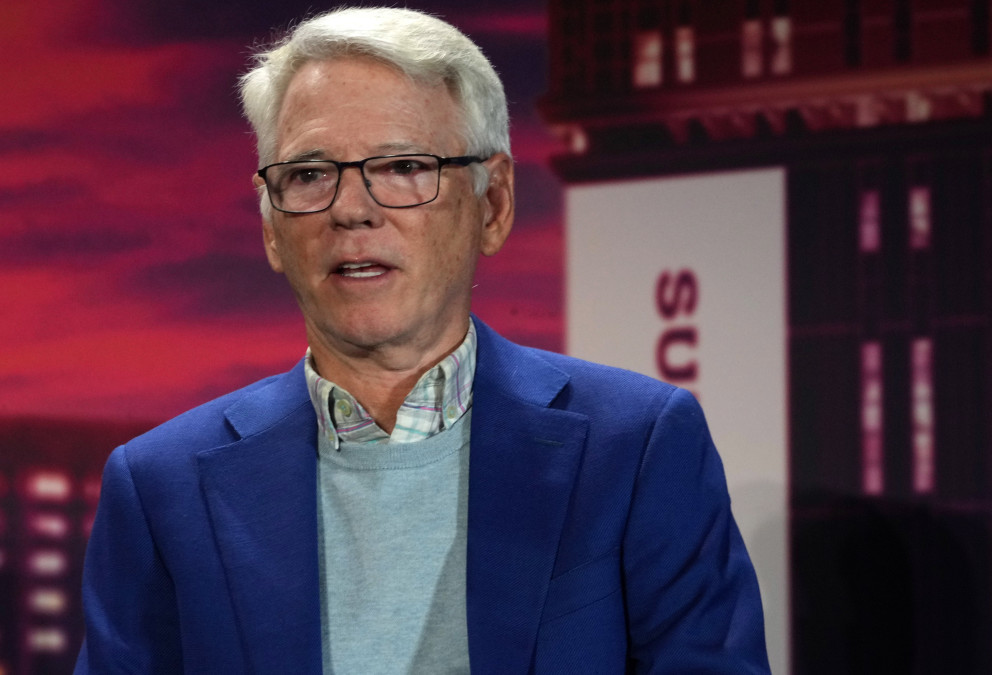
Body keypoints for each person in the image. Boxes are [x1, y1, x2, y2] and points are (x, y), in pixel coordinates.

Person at [75, 7, 769, 674]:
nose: (351, 209)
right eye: (310, 175)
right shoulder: (160, 487)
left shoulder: (638, 447)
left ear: (492, 204)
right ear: (270, 229)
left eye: (404, 166)